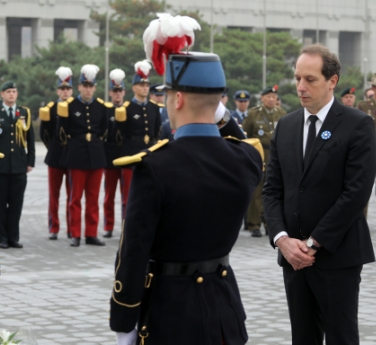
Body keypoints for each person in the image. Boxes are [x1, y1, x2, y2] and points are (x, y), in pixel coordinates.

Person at [110, 14, 262, 345]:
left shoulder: (155, 167)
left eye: (167, 95)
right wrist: (216, 109)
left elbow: (134, 251)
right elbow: (245, 144)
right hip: (225, 314)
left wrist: (124, 319)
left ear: (176, 99)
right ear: (220, 101)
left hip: (169, 315)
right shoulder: (246, 161)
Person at [263, 44, 376, 345]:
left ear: (332, 81)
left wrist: (313, 244)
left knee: (341, 337)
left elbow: (356, 193)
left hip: (336, 255)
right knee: (303, 337)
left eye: (310, 79)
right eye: (298, 78)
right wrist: (282, 240)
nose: (301, 87)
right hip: (292, 256)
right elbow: (272, 189)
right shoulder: (286, 126)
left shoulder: (358, 125)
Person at [57, 64, 109, 247]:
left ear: (94, 88)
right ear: (79, 87)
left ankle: (91, 234)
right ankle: (76, 234)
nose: (88, 89)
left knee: (93, 198)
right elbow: (62, 131)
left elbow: (104, 130)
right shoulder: (70, 106)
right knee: (75, 198)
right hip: (76, 154)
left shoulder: (101, 107)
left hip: (95, 154)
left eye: (91, 86)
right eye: (84, 86)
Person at [0, 81, 35, 249]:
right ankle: (2, 237)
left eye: (14, 91)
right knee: (0, 204)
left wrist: (30, 161)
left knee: (16, 204)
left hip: (19, 166)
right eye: (8, 91)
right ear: (2, 94)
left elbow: (30, 139)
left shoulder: (24, 113)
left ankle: (14, 237)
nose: (12, 94)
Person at [114, 60, 162, 220]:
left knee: (149, 194)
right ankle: (127, 226)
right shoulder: (126, 109)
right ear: (134, 88)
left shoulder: (154, 108)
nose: (145, 88)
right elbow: (119, 136)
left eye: (147, 85)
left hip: (148, 156)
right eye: (141, 85)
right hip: (131, 154)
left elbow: (156, 133)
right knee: (128, 196)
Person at [242, 84, 286, 237]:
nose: (271, 99)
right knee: (257, 190)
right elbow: (245, 135)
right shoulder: (254, 114)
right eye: (268, 96)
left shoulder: (281, 114)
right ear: (262, 98)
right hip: (258, 154)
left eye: (274, 97)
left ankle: (270, 224)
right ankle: (254, 224)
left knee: (274, 190)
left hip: (275, 155)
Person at [39, 67, 72, 240]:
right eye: (62, 89)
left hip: (73, 156)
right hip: (56, 155)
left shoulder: (76, 107)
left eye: (67, 89)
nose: (65, 92)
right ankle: (54, 227)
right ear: (58, 90)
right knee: (54, 195)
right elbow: (45, 134)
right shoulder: (50, 108)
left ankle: (71, 228)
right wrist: (53, 147)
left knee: (72, 196)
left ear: (72, 91)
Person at [102, 68, 125, 238]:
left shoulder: (129, 109)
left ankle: (126, 224)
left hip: (126, 156)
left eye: (120, 90)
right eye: (115, 91)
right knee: (109, 195)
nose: (118, 94)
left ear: (124, 92)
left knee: (127, 195)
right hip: (110, 157)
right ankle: (108, 226)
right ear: (110, 92)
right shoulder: (106, 110)